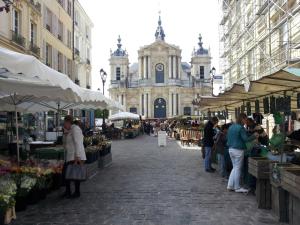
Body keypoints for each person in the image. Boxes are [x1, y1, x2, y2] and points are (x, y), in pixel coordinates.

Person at [227, 113, 258, 193]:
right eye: (245, 119)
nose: (246, 121)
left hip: (231, 149)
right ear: (242, 119)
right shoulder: (241, 128)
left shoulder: (231, 127)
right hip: (238, 150)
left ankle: (230, 185)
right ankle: (237, 187)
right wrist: (254, 136)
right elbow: (246, 139)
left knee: (234, 167)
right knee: (237, 168)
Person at [62, 115, 86, 198]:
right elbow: (66, 143)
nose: (64, 125)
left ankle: (76, 192)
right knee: (67, 174)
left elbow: (78, 142)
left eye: (64, 123)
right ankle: (68, 191)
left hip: (75, 155)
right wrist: (65, 134)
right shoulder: (70, 130)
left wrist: (77, 156)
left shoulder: (75, 129)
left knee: (75, 174)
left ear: (68, 122)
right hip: (70, 155)